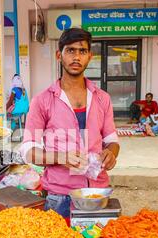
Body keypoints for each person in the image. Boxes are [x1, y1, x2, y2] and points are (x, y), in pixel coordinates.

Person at [19, 28, 120, 217]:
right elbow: (28, 151)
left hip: (97, 192)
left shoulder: (102, 98)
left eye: (82, 51)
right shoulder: (42, 101)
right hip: (59, 196)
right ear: (59, 55)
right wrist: (61, 157)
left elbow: (112, 140)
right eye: (70, 50)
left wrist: (111, 154)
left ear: (90, 56)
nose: (76, 57)